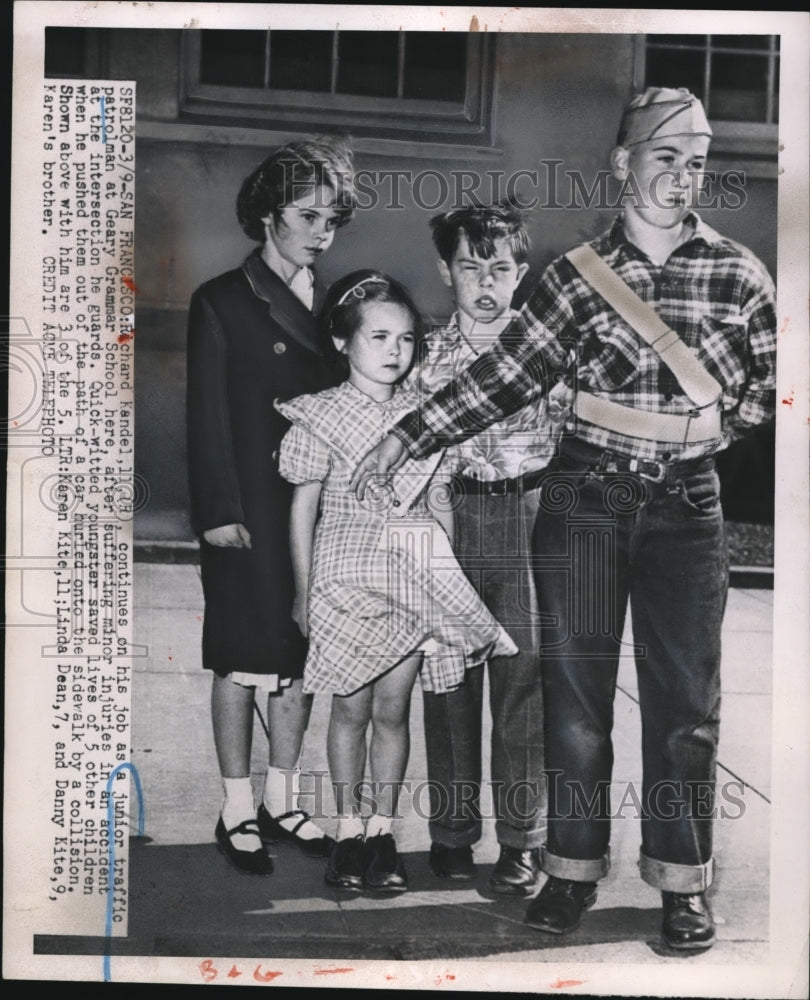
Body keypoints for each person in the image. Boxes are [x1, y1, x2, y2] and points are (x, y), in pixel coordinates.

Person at [351, 88, 776, 950]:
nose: (681, 176)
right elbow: (503, 377)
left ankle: (681, 885)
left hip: (687, 501)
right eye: (663, 157)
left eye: (695, 162)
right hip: (589, 494)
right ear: (622, 165)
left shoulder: (739, 272)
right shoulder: (576, 276)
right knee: (576, 701)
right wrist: (404, 438)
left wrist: (706, 427)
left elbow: (770, 392)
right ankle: (571, 871)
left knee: (686, 704)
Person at [276, 269, 519, 894]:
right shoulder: (320, 415)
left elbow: (436, 502)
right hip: (343, 574)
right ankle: (348, 831)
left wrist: (447, 586)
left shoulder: (422, 418)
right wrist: (303, 593)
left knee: (393, 709)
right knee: (349, 709)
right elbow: (303, 509)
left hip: (412, 572)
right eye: (379, 336)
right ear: (342, 341)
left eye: (406, 339)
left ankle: (383, 832)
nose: (394, 351)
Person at [186, 136, 357, 875]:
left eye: (333, 218)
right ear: (267, 217)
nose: (324, 232)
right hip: (248, 510)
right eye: (308, 215)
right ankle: (234, 807)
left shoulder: (340, 301)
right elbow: (205, 417)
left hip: (316, 508)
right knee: (239, 655)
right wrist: (219, 510)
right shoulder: (222, 299)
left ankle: (283, 799)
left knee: (298, 654)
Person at [408, 204, 569, 894]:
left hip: (527, 515)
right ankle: (451, 832)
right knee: (447, 678)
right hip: (450, 515)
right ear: (446, 270)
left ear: (520, 274)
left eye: (499, 267)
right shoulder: (424, 356)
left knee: (521, 680)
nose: (485, 281)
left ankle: (522, 839)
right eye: (470, 265)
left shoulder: (545, 354)